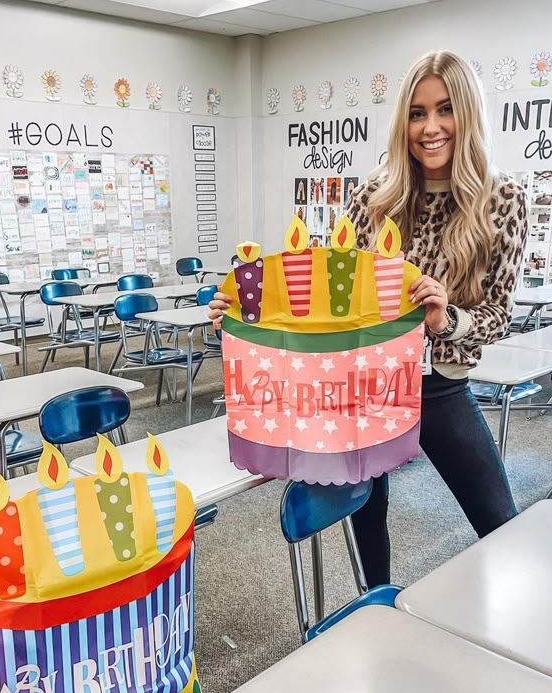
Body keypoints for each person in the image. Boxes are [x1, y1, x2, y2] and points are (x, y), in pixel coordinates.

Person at [210, 50, 528, 587]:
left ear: (468, 115)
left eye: (445, 109)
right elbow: (325, 291)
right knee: (368, 516)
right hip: (367, 387)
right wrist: (244, 305)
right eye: (417, 112)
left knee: (501, 523)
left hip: (441, 387)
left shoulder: (503, 201)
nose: (430, 127)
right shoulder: (375, 197)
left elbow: (499, 313)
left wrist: (446, 319)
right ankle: (376, 607)